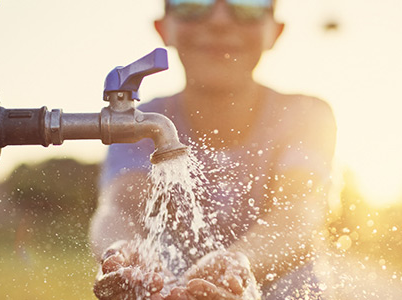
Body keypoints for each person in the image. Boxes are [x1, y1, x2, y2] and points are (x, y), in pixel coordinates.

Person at [90, 0, 337, 299]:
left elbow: (299, 211)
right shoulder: (143, 124)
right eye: (192, 2)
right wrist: (123, 251)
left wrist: (239, 263)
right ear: (162, 27)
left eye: (248, 3)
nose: (219, 20)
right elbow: (122, 206)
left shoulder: (304, 115)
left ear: (276, 31)